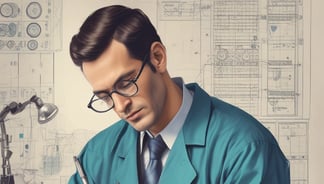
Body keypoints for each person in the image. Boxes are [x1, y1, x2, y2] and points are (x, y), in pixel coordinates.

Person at [68, 5, 290, 184]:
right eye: (106, 96)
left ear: (157, 57)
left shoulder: (246, 150)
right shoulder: (96, 155)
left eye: (126, 83)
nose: (119, 106)